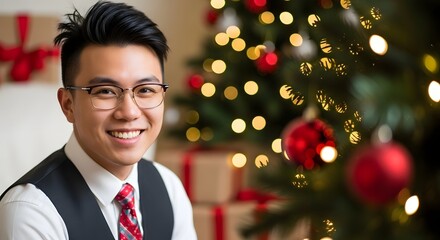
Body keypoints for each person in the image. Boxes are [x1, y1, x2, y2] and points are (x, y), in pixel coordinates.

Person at [0, 1, 197, 239]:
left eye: (145, 90)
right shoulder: (30, 212)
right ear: (68, 105)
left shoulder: (169, 187)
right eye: (105, 91)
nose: (129, 112)